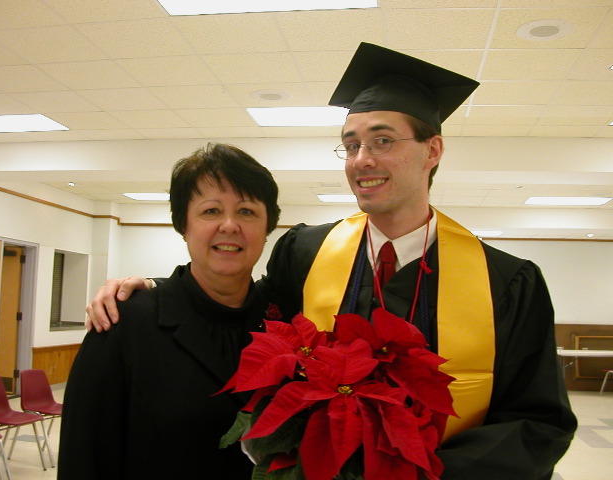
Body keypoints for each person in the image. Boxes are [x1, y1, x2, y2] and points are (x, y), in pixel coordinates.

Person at [85, 43, 576, 479]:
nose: (362, 158)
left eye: (382, 140)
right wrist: (150, 289)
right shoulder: (306, 253)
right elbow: (239, 316)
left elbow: (539, 424)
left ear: (433, 150)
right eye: (352, 143)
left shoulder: (506, 281)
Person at [58, 143, 281, 479]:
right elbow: (85, 454)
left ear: (267, 229)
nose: (230, 225)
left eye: (247, 211)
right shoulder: (124, 324)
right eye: (211, 211)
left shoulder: (284, 323)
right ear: (183, 226)